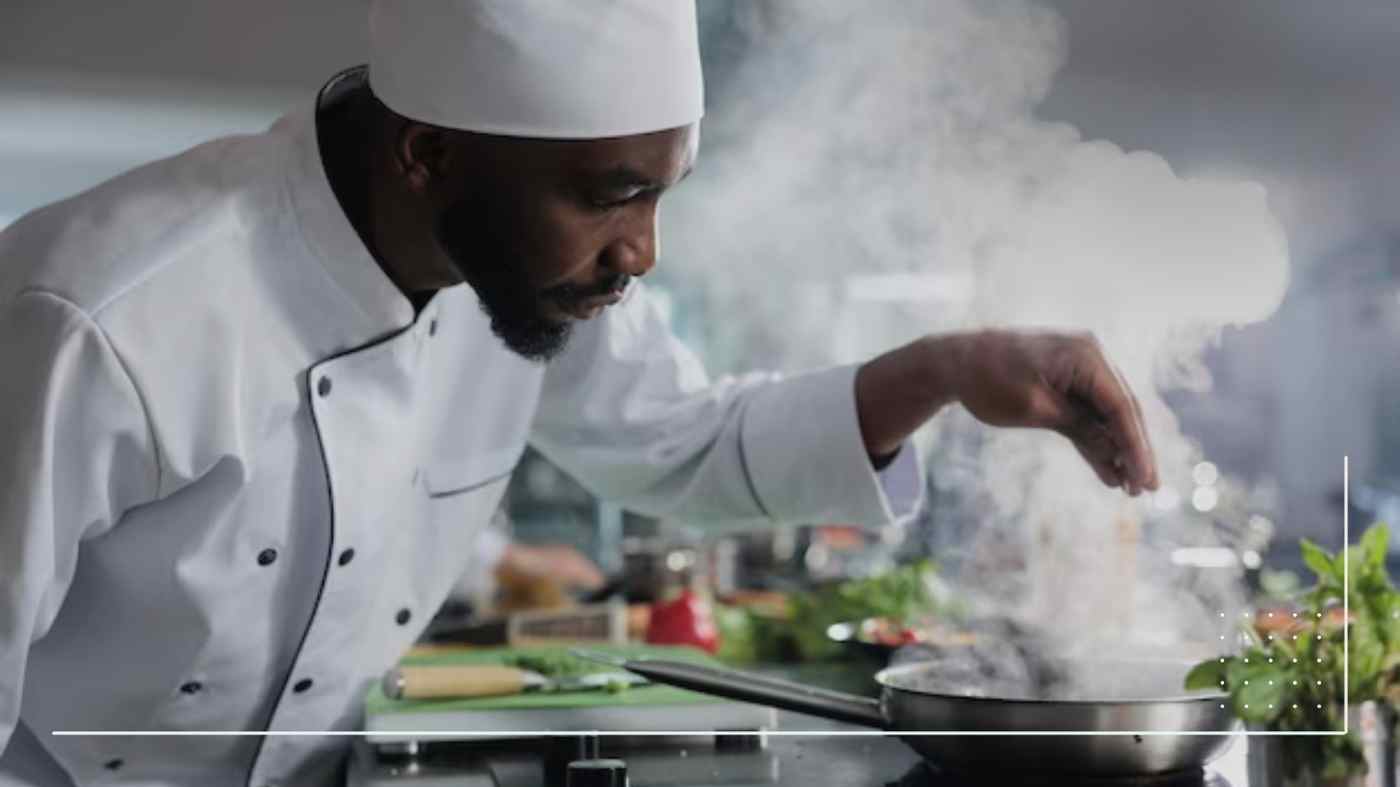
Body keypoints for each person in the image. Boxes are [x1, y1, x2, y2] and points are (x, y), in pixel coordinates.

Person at [0, 1, 1157, 784]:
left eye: (661, 193)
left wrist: (953, 367)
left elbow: (691, 443)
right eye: (610, 194)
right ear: (428, 153)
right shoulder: (98, 319)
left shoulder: (513, 266)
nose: (641, 250)